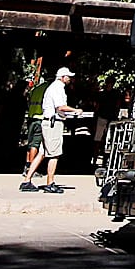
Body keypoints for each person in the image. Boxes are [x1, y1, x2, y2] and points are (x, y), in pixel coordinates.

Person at [21, 64, 84, 192]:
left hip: (48, 121)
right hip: (53, 123)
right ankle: (50, 183)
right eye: (68, 76)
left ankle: (27, 180)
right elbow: (60, 107)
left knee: (43, 152)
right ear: (62, 77)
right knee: (54, 154)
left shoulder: (52, 87)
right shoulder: (57, 88)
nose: (70, 79)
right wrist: (76, 110)